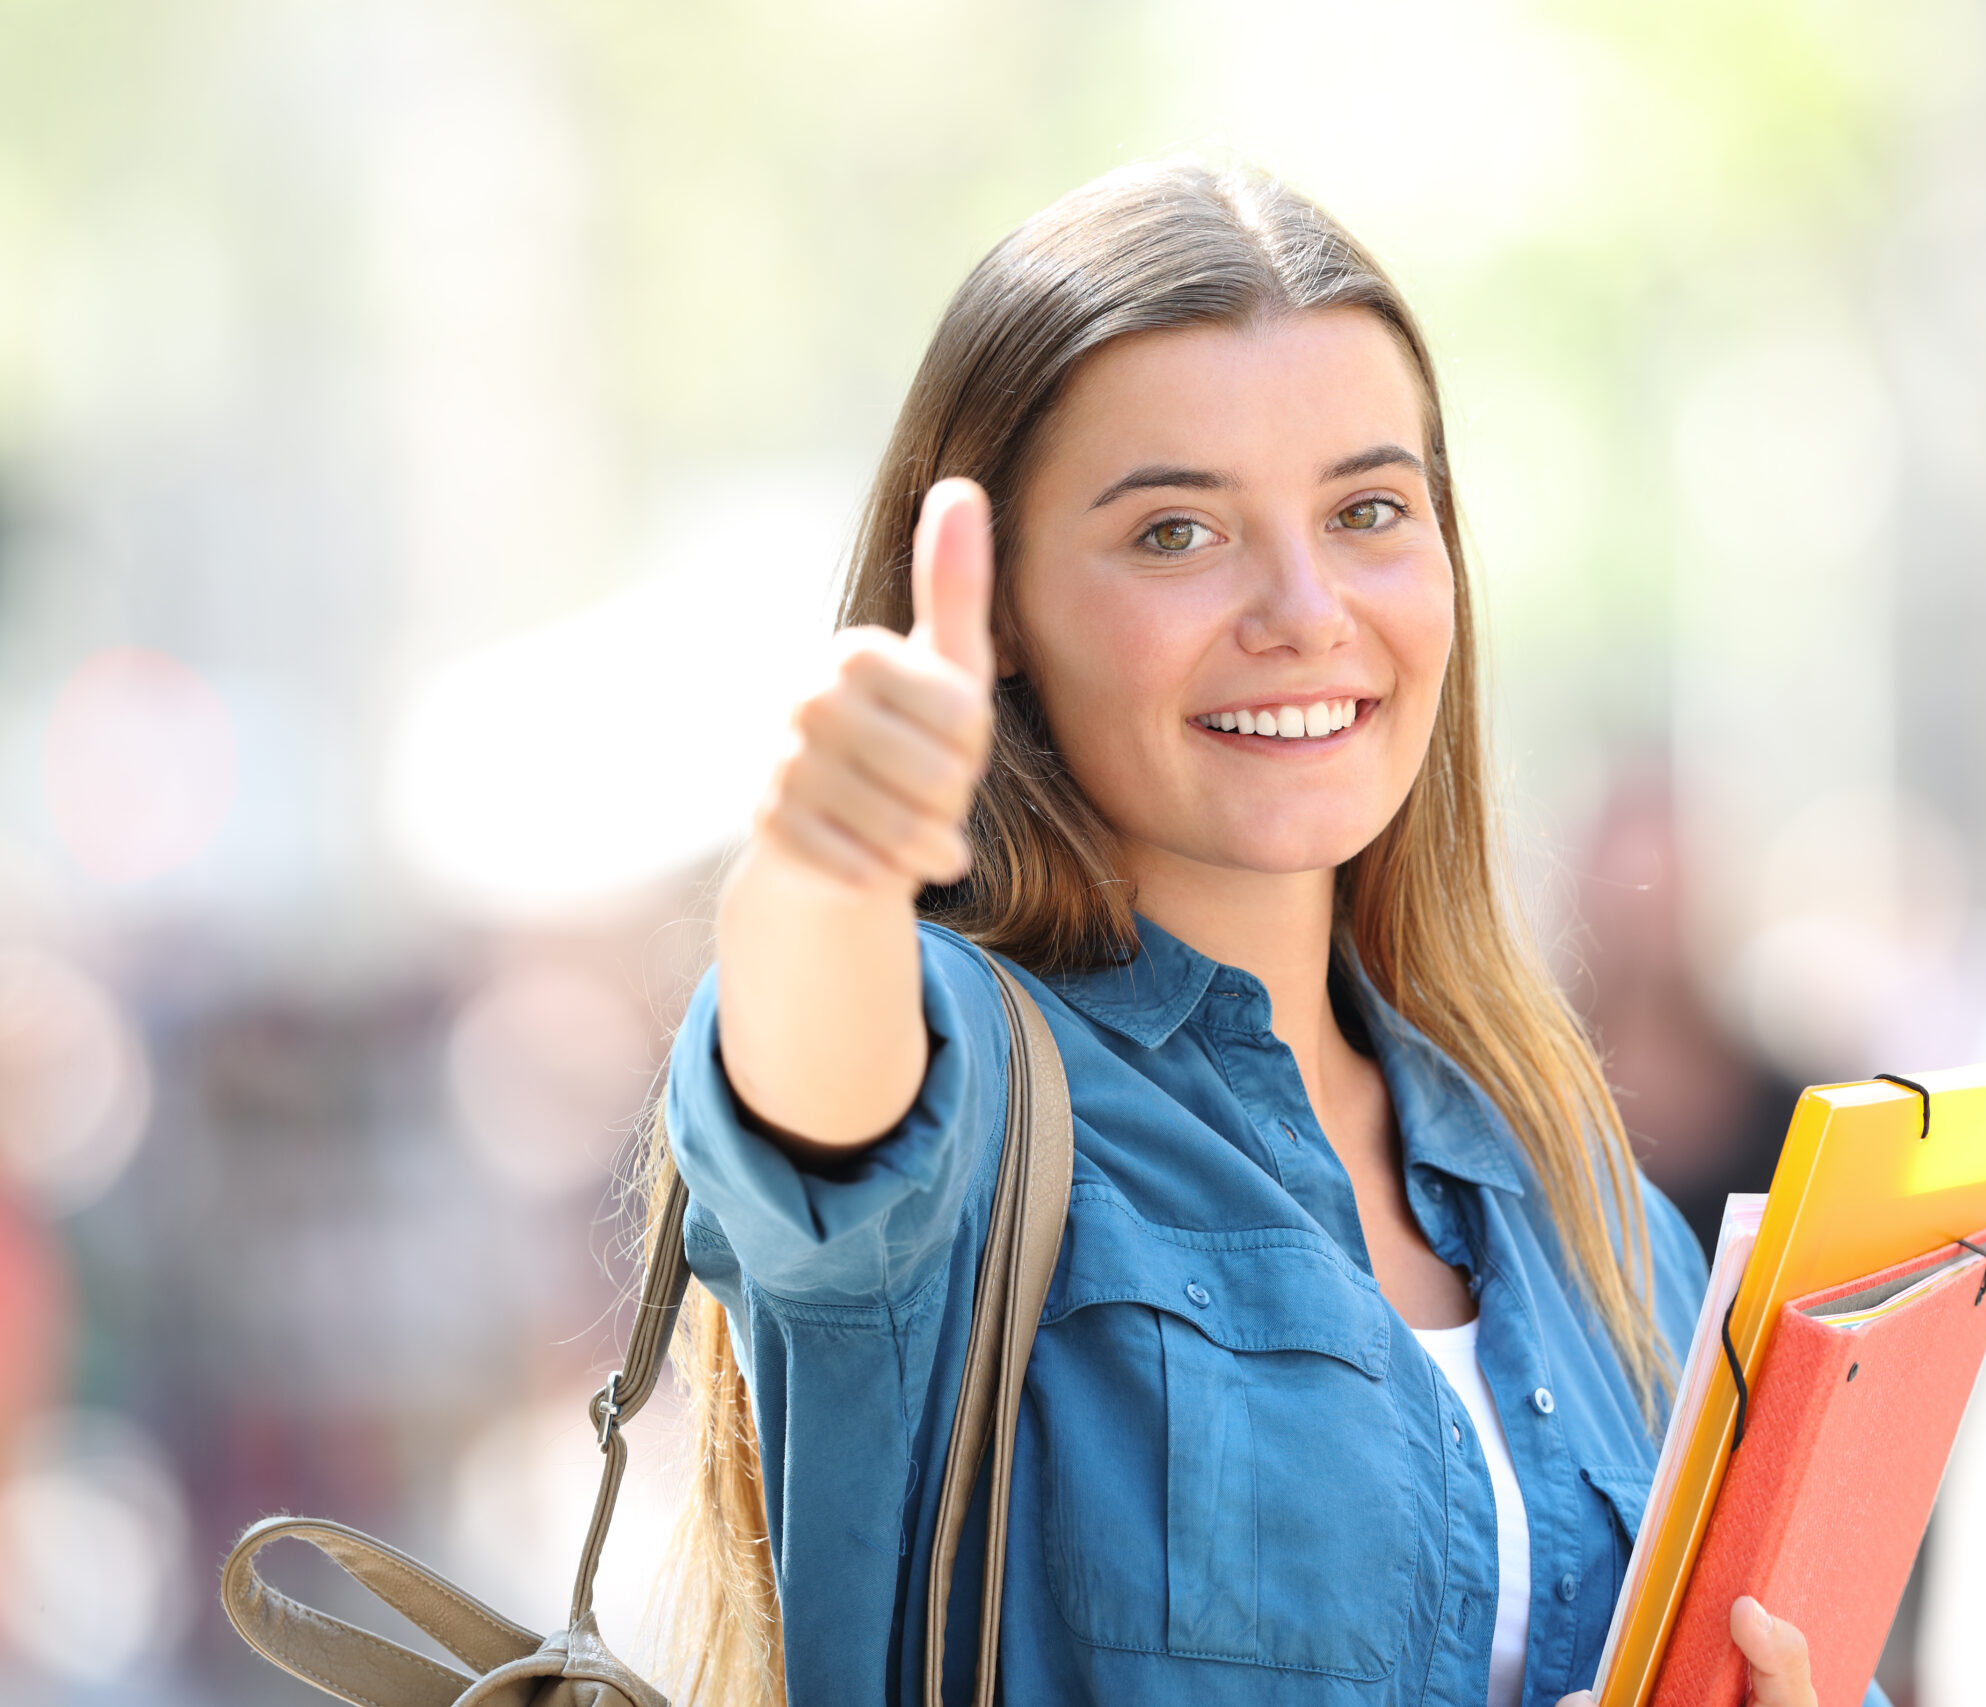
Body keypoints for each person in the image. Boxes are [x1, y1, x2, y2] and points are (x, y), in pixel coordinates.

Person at [647, 160, 1876, 1707]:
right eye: (1176, 533)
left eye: (1369, 510)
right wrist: (821, 866)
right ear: (1003, 609)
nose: (1305, 608)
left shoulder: (1575, 1186)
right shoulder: (959, 1098)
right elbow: (808, 1080)